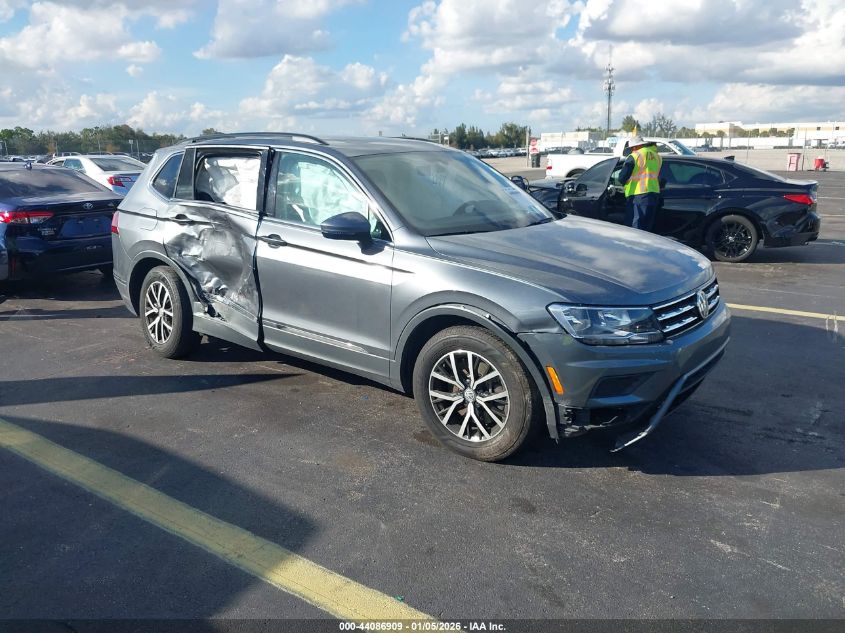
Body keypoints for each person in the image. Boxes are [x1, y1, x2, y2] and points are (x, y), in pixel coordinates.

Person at [618, 136, 662, 231]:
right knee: (647, 226)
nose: (632, 150)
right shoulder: (657, 156)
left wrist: (623, 184)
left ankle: (634, 245)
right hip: (654, 193)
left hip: (638, 195)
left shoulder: (635, 156)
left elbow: (622, 177)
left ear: (635, 147)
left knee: (635, 227)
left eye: (632, 148)